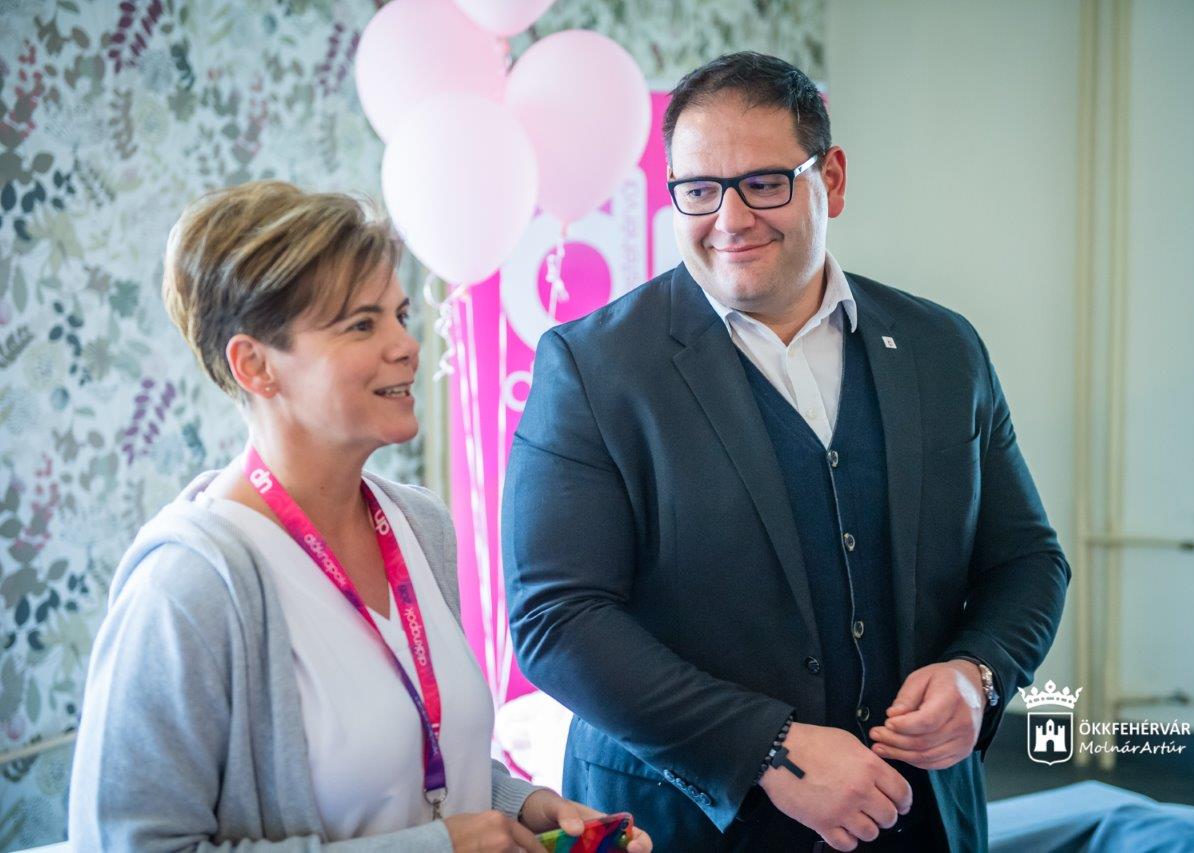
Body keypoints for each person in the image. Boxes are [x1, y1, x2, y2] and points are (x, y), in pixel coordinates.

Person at [502, 52, 1069, 852]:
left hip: (921, 820)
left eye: (765, 183)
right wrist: (765, 747)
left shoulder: (944, 349)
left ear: (830, 179)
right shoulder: (593, 368)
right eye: (700, 190)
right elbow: (557, 619)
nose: (730, 219)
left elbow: (1028, 560)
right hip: (685, 824)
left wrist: (979, 673)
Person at [69, 181, 652, 853]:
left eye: (400, 314)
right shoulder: (189, 585)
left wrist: (520, 806)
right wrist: (437, 848)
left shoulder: (419, 526)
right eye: (361, 324)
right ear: (254, 365)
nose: (407, 344)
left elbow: (417, 772)